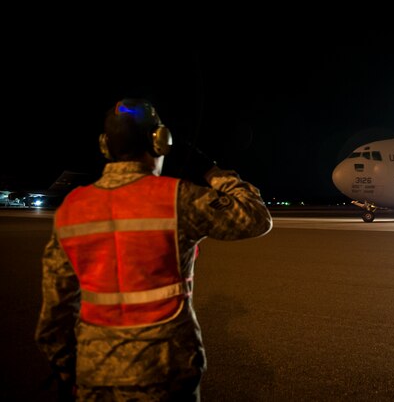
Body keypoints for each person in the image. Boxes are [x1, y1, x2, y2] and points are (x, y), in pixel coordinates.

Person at [35, 98, 273, 401]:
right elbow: (256, 218)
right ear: (159, 142)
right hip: (164, 374)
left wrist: (70, 370)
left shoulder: (73, 209)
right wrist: (215, 173)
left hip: (96, 375)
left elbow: (54, 316)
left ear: (105, 146)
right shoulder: (178, 198)